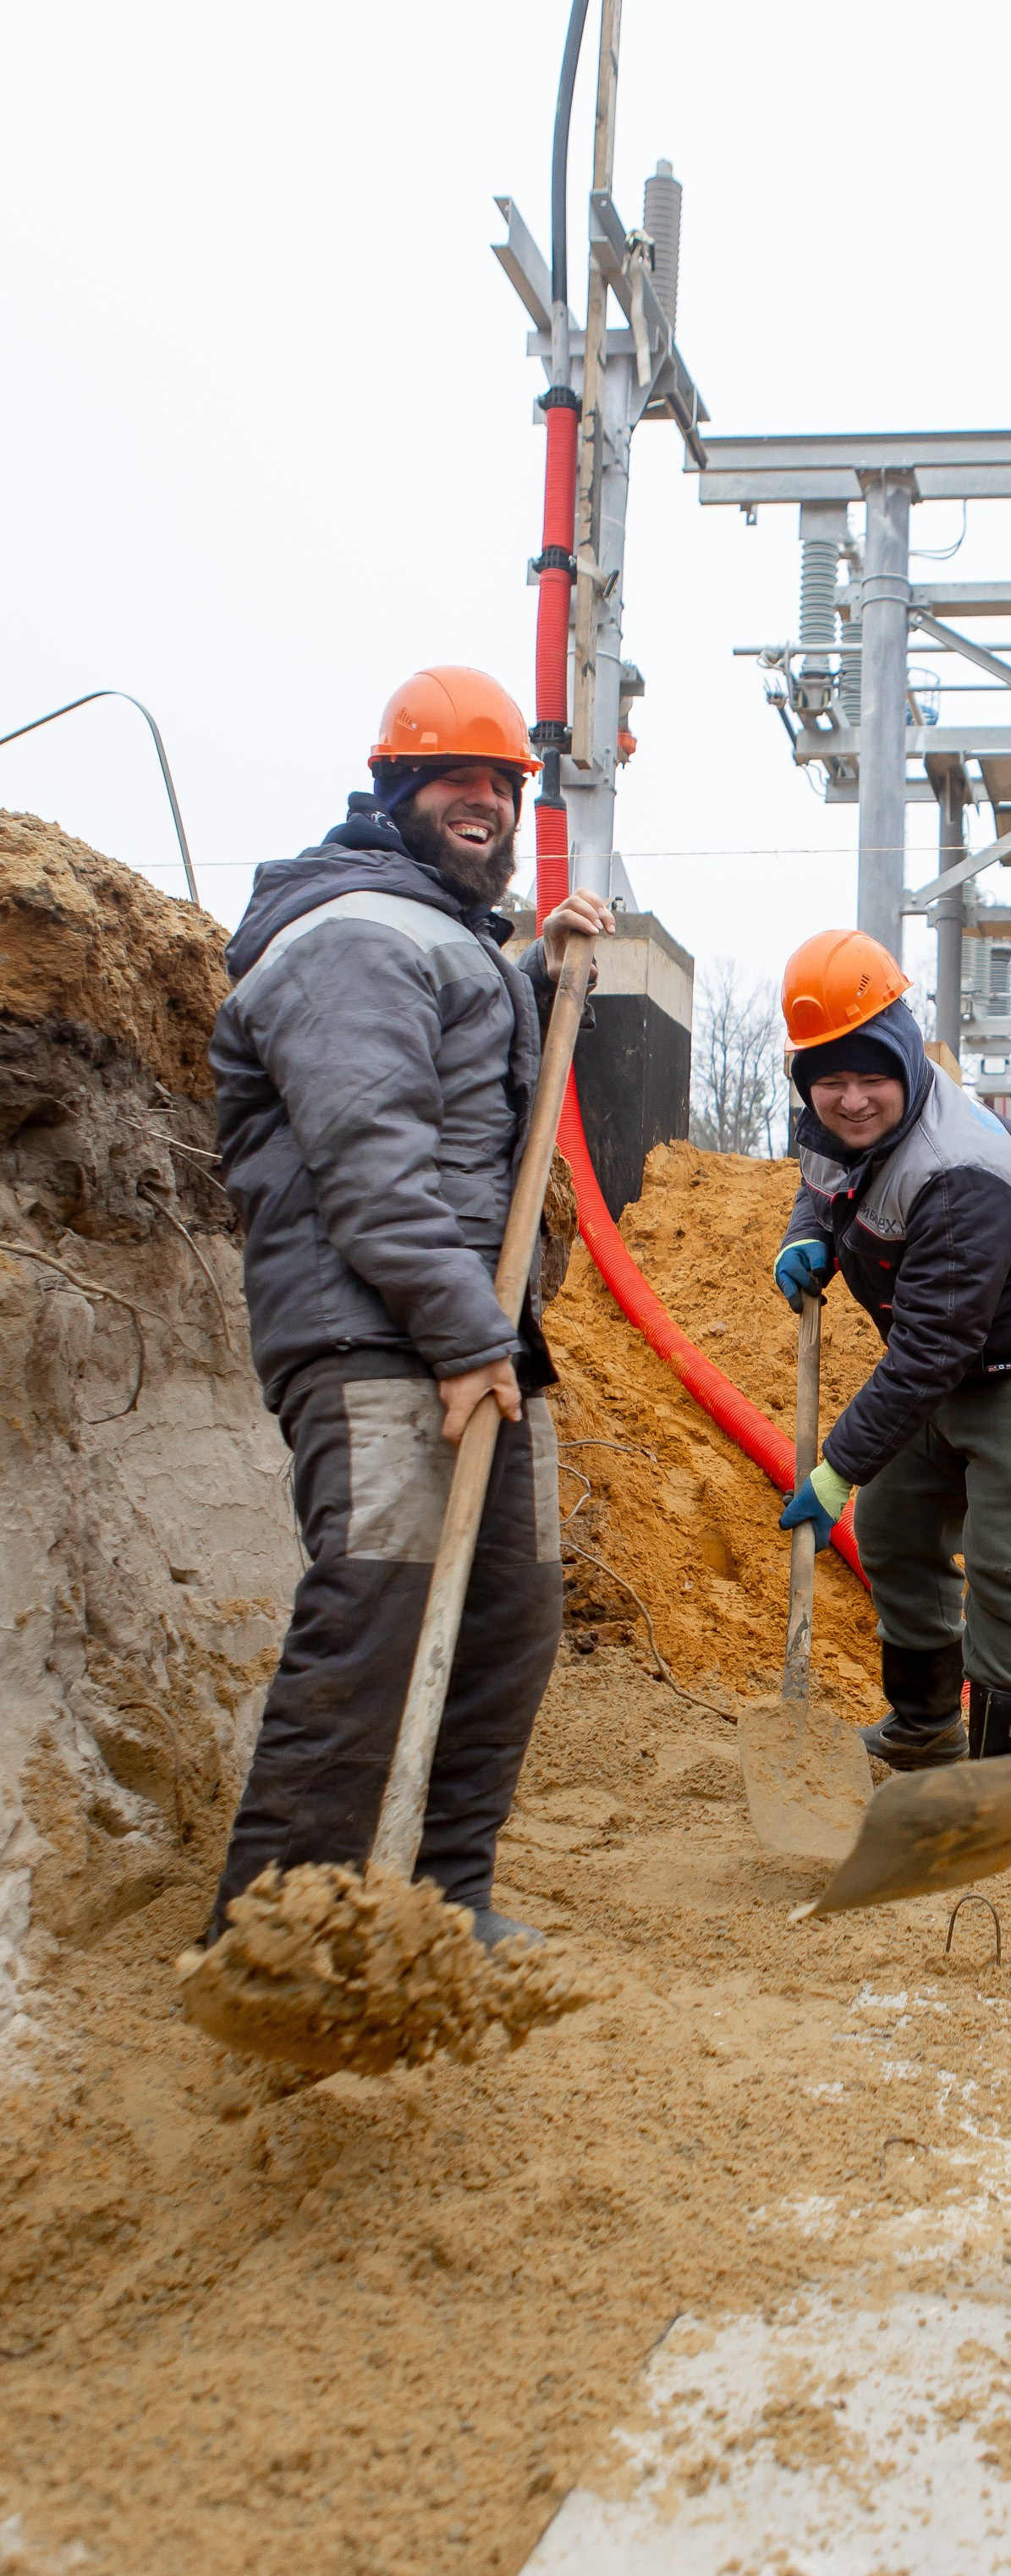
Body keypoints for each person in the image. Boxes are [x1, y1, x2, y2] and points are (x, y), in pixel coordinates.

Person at [205, 666, 613, 1945]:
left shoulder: (438, 933)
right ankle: (278, 1936)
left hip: (472, 1334)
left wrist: (535, 976)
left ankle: (438, 1898)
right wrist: (462, 1334)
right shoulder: (348, 933)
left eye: (502, 783)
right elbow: (371, 1158)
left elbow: (460, 1094)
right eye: (454, 779)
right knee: (377, 1620)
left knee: (506, 1622)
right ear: (395, 790)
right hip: (378, 1334)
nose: (483, 801)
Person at [771, 930, 1011, 1766]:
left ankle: (1002, 1773)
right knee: (895, 1526)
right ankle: (925, 1727)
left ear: (904, 1057)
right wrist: (807, 1233)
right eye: (830, 1080)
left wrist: (837, 1467)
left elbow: (933, 1347)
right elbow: (823, 1181)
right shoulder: (834, 1124)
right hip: (950, 1340)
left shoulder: (959, 1166)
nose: (852, 1101)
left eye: (871, 1078)